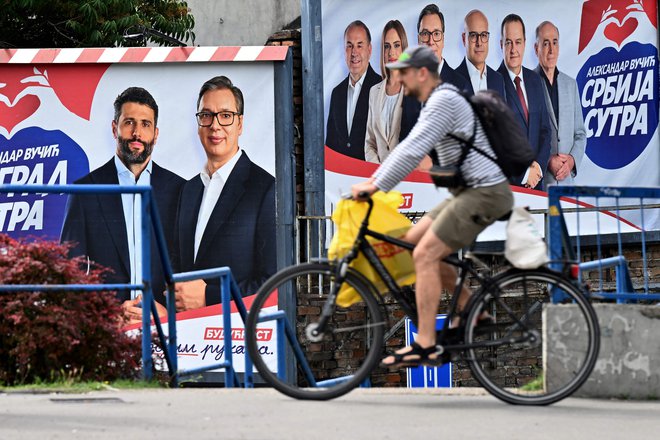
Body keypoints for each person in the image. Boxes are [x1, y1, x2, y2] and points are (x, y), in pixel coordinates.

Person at [351, 46, 513, 368]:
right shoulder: (436, 102)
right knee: (413, 243)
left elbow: (411, 150)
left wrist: (374, 184)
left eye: (404, 72)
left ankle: (425, 343)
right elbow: (413, 148)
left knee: (425, 254)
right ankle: (470, 310)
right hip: (468, 192)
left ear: (422, 73)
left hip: (484, 193)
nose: (399, 78)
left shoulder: (442, 102)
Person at [61, 87, 184, 324]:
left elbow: (189, 268)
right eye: (129, 122)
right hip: (108, 334)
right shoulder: (85, 190)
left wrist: (168, 314)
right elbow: (68, 274)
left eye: (145, 124)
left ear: (156, 134)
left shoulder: (181, 190)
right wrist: (106, 315)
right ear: (114, 127)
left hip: (167, 331)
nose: (137, 133)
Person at [171, 76, 276, 311]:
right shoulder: (188, 191)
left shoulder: (265, 189)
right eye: (206, 115)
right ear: (198, 125)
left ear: (240, 124)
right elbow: (178, 268)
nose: (215, 125)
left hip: (238, 338)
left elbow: (274, 283)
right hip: (187, 338)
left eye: (225, 116)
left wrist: (210, 296)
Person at [497, 14, 551, 191]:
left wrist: (537, 169)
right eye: (508, 42)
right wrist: (524, 175)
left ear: (525, 43)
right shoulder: (493, 82)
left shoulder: (535, 80)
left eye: (518, 42)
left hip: (537, 185)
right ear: (501, 45)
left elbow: (545, 130)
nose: (513, 49)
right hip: (510, 187)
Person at [533, 21, 586, 186]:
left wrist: (571, 161)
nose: (551, 50)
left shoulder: (571, 85)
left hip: (567, 184)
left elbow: (580, 134)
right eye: (545, 43)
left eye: (554, 42)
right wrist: (547, 160)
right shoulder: (528, 84)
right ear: (536, 49)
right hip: (541, 185)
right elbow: (525, 138)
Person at [364, 19, 421, 164]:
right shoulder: (374, 92)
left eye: (397, 45)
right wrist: (376, 169)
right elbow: (370, 143)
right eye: (387, 46)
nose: (392, 52)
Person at [326, 20, 382, 161]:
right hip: (341, 179)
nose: (354, 52)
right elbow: (330, 146)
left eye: (359, 45)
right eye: (349, 46)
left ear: (369, 50)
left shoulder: (381, 87)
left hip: (370, 177)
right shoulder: (337, 93)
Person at [455, 9, 506, 97]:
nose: (479, 43)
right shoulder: (452, 81)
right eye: (473, 35)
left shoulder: (498, 80)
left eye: (483, 35)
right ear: (464, 39)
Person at [417, 4, 468, 90]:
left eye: (436, 34)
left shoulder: (461, 85)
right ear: (418, 40)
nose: (431, 42)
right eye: (425, 34)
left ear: (443, 40)